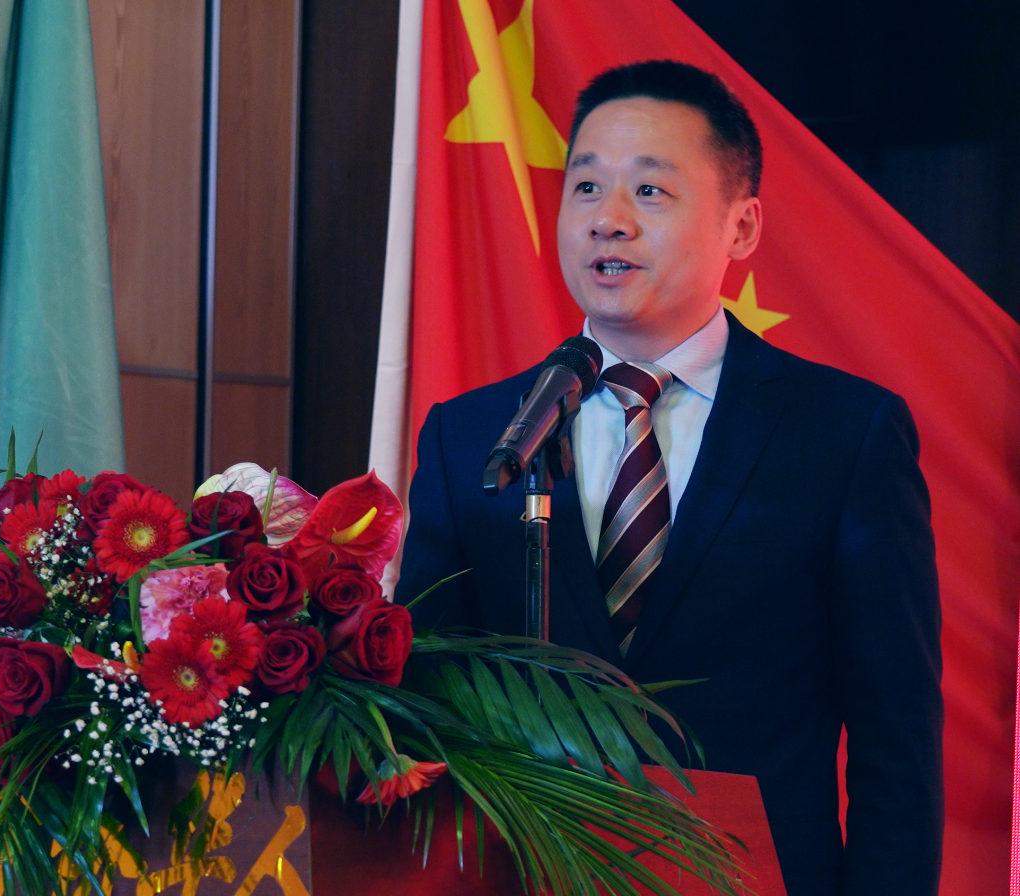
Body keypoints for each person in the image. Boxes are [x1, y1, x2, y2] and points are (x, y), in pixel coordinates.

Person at [397, 60, 943, 896]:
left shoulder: (844, 434)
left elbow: (895, 741)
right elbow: (424, 702)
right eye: (586, 187)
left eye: (649, 192)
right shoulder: (473, 436)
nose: (608, 220)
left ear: (742, 226)